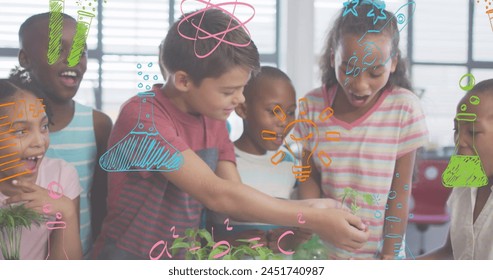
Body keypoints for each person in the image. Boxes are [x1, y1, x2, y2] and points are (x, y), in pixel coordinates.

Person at [93, 8, 369, 260]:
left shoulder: (213, 118)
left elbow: (233, 196)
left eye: (242, 88)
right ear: (183, 80)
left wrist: (316, 206)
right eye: (228, 91)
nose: (239, 100)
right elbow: (217, 194)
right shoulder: (143, 119)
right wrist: (309, 217)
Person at [296, 3, 428, 259]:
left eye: (375, 71)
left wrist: (388, 254)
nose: (360, 85)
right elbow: (308, 176)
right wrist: (310, 230)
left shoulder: (404, 108)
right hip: (323, 249)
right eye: (348, 69)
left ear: (393, 63)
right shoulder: (312, 106)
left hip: (380, 252)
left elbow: (399, 191)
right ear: (333, 56)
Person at [16, 12, 113, 256]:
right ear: (25, 58)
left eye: (80, 50)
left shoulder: (98, 124)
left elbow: (102, 201)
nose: (73, 58)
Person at [207, 66, 325, 253]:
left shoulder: (291, 165)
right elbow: (198, 230)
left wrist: (289, 241)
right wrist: (229, 243)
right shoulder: (220, 163)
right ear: (243, 109)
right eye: (272, 111)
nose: (284, 122)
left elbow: (299, 234)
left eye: (290, 112)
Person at [0, 72, 82, 260]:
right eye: (21, 131)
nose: (40, 141)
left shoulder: (62, 175)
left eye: (44, 127)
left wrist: (67, 211)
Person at [419, 79, 493, 260]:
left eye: (473, 132)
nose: (459, 142)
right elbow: (451, 252)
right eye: (457, 130)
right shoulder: (466, 179)